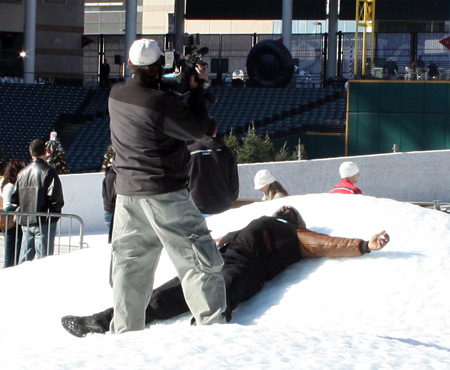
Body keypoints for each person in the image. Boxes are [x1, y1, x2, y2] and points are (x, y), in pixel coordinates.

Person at [61, 205, 390, 337]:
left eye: (287, 211)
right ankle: (101, 321)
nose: (283, 209)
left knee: (221, 297)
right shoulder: (249, 226)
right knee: (164, 296)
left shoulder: (291, 233)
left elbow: (324, 243)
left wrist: (363, 245)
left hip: (244, 267)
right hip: (211, 261)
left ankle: (201, 345)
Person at [107, 38, 227, 334]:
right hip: (164, 195)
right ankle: (214, 331)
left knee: (129, 268)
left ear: (129, 65)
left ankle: (125, 333)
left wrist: (179, 82)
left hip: (127, 196)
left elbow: (154, 90)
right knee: (198, 261)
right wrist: (197, 90)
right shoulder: (160, 102)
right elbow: (197, 129)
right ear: (160, 65)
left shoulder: (117, 94)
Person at [11, 139, 64, 263]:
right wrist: (53, 216)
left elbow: (14, 198)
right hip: (43, 220)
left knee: (24, 258)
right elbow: (56, 198)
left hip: (26, 221)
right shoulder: (48, 171)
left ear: (31, 153)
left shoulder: (22, 173)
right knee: (43, 259)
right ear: (45, 152)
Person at [187, 116, 239, 215]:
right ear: (215, 131)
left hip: (197, 208)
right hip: (223, 208)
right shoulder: (227, 151)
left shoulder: (189, 151)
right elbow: (234, 181)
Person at [0, 159, 25, 267]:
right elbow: (7, 206)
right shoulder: (10, 186)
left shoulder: (6, 183)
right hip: (12, 224)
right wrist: (18, 209)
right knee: (10, 256)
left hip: (12, 224)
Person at [102, 164, 116, 243]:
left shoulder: (107, 177)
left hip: (108, 210)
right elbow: (114, 194)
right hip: (112, 211)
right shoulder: (113, 177)